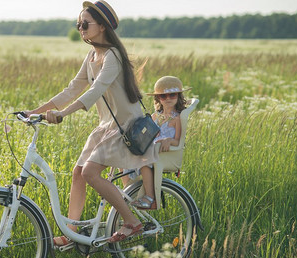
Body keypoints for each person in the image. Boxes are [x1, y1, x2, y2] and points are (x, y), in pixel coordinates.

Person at [25, 1, 158, 245]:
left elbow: (95, 90)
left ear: (102, 27)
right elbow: (73, 88)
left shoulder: (113, 56)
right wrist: (35, 111)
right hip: (107, 126)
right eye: (78, 24)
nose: (80, 28)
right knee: (78, 173)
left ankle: (131, 222)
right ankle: (70, 233)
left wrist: (64, 113)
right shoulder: (92, 55)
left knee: (90, 172)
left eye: (85, 23)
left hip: (125, 127)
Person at [128, 76, 190, 210]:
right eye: (163, 96)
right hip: (153, 148)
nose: (168, 98)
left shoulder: (177, 118)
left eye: (172, 95)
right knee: (126, 158)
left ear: (178, 96)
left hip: (164, 152)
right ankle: (129, 192)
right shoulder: (157, 115)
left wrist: (168, 140)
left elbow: (178, 141)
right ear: (158, 99)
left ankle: (150, 198)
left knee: (144, 164)